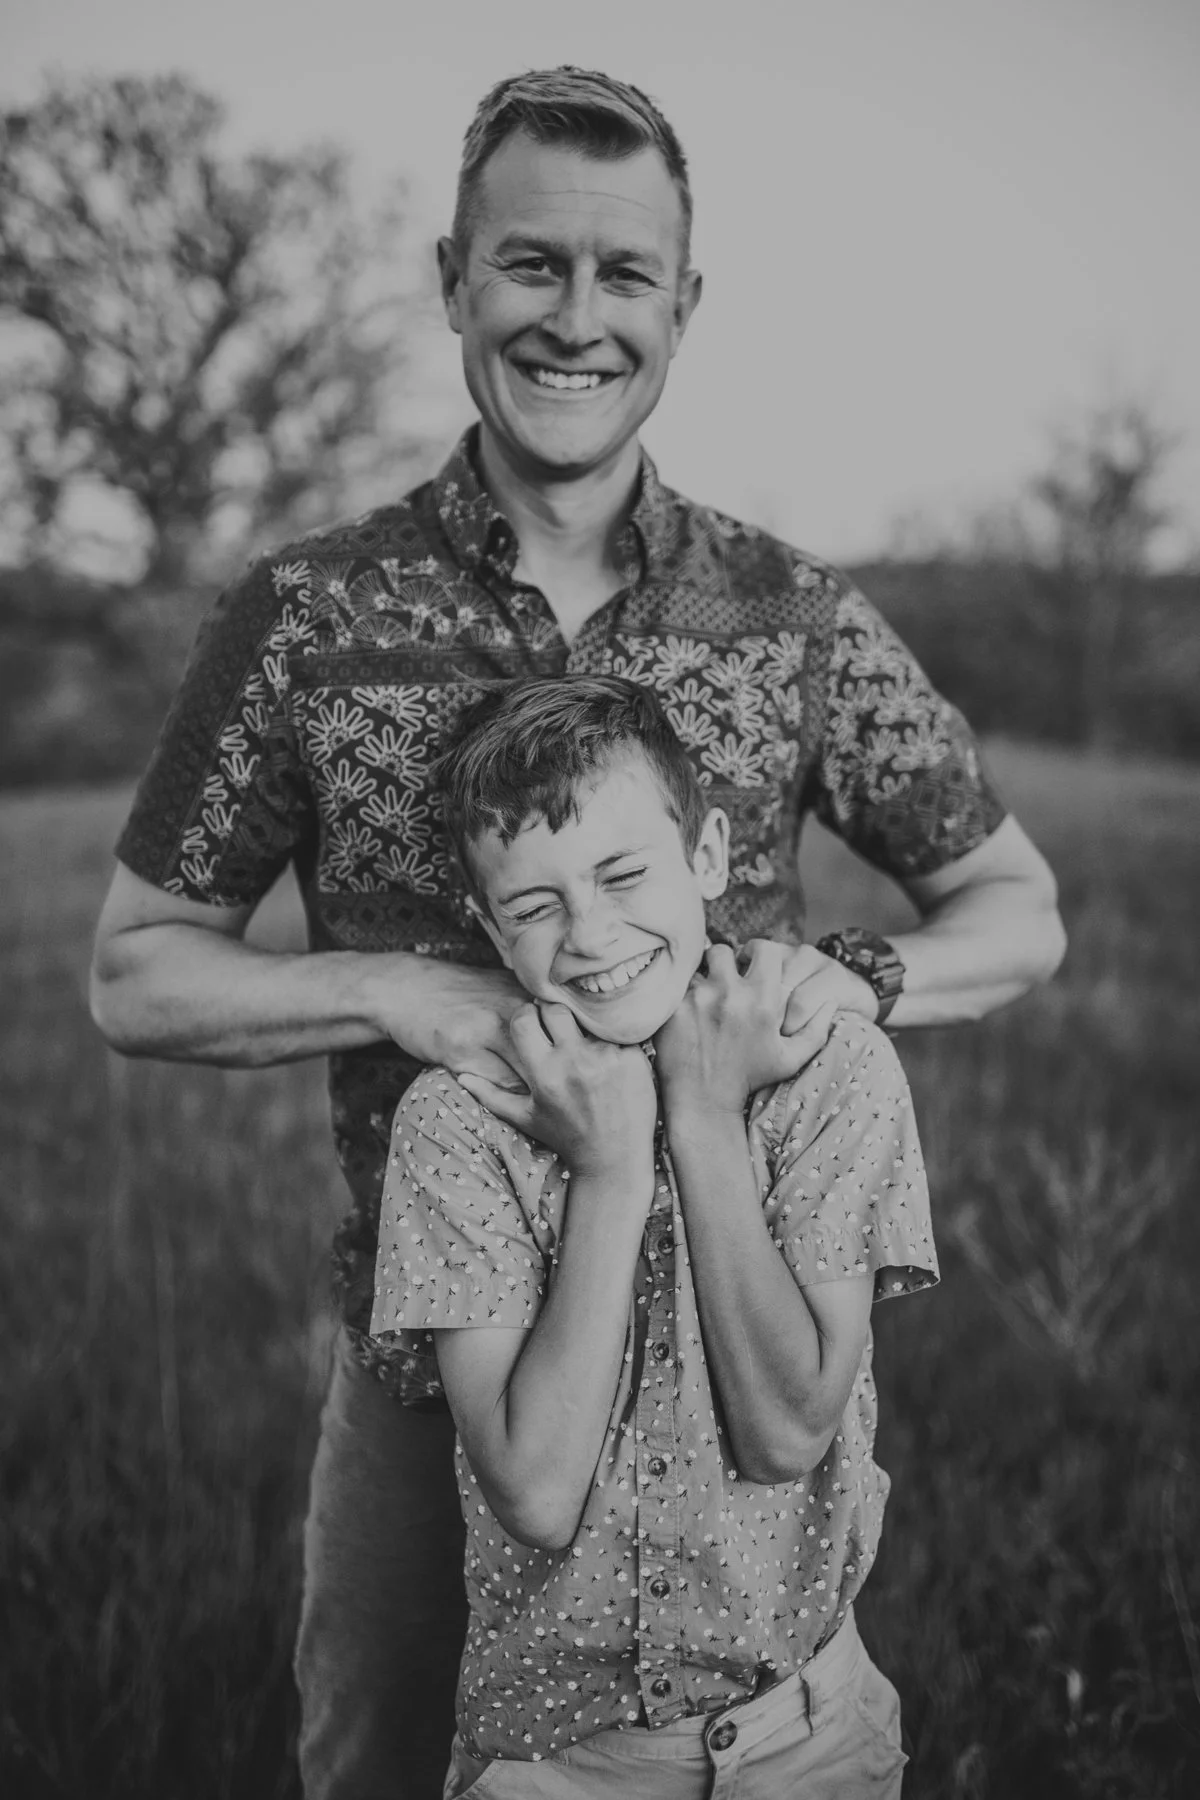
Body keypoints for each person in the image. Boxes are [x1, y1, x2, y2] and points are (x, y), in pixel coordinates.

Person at [88, 64, 1065, 1800]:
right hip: (433, 1356)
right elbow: (134, 968)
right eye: (532, 263)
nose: (576, 317)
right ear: (453, 277)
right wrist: (405, 990)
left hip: (738, 1341)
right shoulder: (307, 615)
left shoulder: (785, 614)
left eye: (626, 276)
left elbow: (1018, 911)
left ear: (683, 305)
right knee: (382, 1763)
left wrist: (830, 984)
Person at [370, 673, 937, 1799]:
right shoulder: (455, 1121)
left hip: (808, 1736)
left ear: (708, 855)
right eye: (534, 906)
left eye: (624, 875)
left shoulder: (834, 1068)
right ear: (488, 927)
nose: (591, 935)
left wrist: (707, 1117)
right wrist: (612, 1166)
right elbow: (535, 1492)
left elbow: (787, 1431)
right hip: (555, 1763)